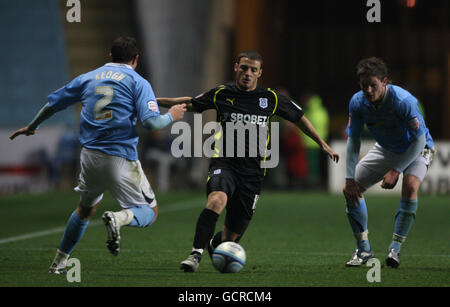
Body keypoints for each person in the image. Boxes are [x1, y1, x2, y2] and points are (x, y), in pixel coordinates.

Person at [9, 36, 187, 274]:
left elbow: (53, 104)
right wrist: (172, 116)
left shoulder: (88, 77)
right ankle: (119, 218)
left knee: (85, 209)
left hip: (90, 157)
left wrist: (32, 125)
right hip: (120, 157)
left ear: (110, 56)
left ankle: (59, 262)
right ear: (136, 59)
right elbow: (152, 124)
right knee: (150, 212)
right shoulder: (138, 82)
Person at [157, 51, 340, 272]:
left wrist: (322, 143)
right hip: (224, 163)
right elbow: (187, 102)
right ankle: (195, 255)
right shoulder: (221, 94)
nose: (248, 73)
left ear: (260, 73)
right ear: (236, 68)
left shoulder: (271, 99)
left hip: (253, 173)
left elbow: (299, 119)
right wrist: (152, 102)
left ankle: (214, 243)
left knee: (229, 240)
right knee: (216, 201)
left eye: (253, 70)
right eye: (244, 68)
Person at [343, 57, 434, 268]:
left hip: (418, 148)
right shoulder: (357, 102)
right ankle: (363, 249)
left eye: (373, 85)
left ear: (385, 82)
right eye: (363, 85)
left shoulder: (403, 101)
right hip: (386, 148)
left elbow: (419, 139)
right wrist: (349, 178)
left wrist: (397, 169)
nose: (368, 90)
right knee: (351, 190)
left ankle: (395, 249)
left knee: (410, 186)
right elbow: (354, 141)